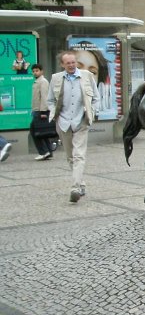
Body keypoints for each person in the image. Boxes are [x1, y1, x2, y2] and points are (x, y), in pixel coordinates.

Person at [47, 51, 100, 203]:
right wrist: (54, 114)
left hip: (81, 121)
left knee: (79, 155)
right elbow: (50, 100)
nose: (71, 65)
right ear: (62, 64)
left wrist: (92, 112)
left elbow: (96, 98)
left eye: (73, 62)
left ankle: (75, 187)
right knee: (70, 157)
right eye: (68, 63)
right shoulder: (56, 78)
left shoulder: (87, 76)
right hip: (63, 123)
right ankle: (81, 184)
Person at [30, 64, 55, 160]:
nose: (35, 72)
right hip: (37, 110)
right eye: (33, 71)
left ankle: (43, 152)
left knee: (34, 132)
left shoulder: (43, 82)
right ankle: (48, 152)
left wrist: (43, 112)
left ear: (41, 71)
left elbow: (45, 97)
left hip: (40, 111)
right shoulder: (37, 82)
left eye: (37, 70)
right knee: (42, 132)